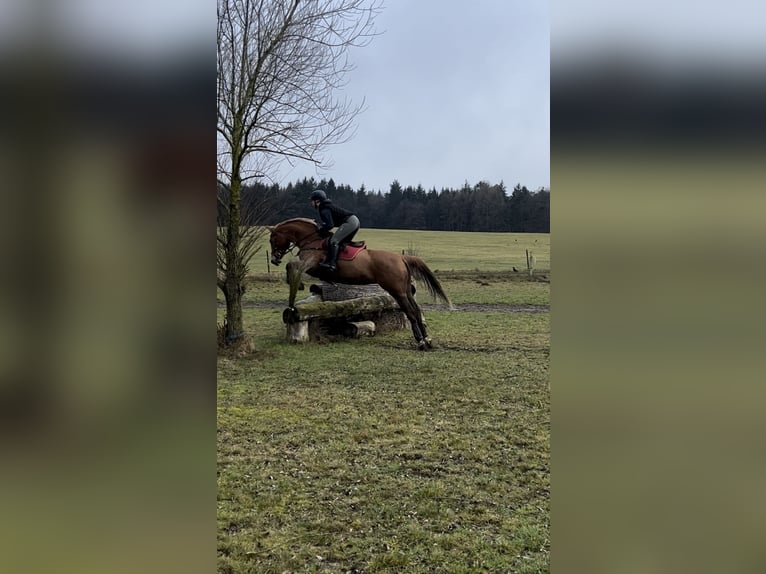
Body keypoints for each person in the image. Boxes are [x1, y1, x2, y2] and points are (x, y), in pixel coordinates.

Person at [309, 189, 360, 272]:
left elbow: (330, 225)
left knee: (333, 241)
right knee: (340, 243)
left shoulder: (324, 208)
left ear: (317, 201)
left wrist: (320, 229)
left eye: (312, 201)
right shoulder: (326, 206)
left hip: (350, 222)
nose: (311, 203)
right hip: (354, 221)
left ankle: (331, 264)